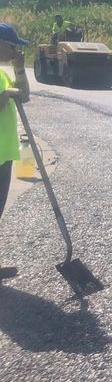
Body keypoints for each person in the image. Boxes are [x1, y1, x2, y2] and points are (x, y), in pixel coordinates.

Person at [0, 23, 30, 279]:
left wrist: (19, 69)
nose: (16, 49)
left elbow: (25, 96)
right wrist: (5, 94)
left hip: (3, 153)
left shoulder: (2, 73)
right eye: (13, 45)